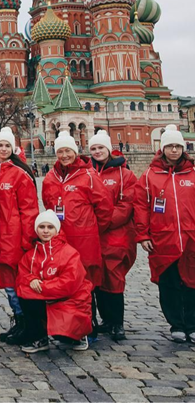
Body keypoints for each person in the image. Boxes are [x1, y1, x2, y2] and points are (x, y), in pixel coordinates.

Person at [42, 131, 112, 331]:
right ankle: (67, 325)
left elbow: (104, 208)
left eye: (68, 151)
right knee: (63, 281)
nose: (65, 155)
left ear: (76, 152)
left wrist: (91, 229)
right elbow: (48, 206)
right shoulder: (50, 177)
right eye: (61, 151)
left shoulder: (89, 175)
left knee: (85, 282)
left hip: (84, 239)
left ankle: (87, 323)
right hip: (60, 239)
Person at [135, 125, 195, 342]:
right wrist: (143, 235)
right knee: (168, 283)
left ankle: (192, 324)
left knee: (191, 282)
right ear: (162, 148)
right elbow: (141, 206)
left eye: (178, 146)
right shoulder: (150, 174)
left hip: (191, 238)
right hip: (163, 238)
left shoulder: (192, 173)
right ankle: (176, 325)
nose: (174, 150)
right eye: (170, 146)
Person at [0, 128, 38, 344]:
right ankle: (19, 322)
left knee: (17, 284)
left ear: (12, 148)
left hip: (13, 236)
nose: (3, 149)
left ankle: (26, 323)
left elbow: (30, 209)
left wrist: (27, 238)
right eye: (0, 145)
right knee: (8, 284)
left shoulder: (19, 173)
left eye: (7, 145)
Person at [16, 210, 94, 353]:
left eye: (50, 227)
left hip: (68, 300)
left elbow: (68, 284)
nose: (45, 231)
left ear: (57, 230)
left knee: (63, 337)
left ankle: (78, 335)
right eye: (42, 227)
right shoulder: (31, 254)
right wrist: (31, 279)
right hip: (47, 298)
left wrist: (42, 286)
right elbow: (23, 273)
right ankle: (39, 337)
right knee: (24, 292)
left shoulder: (69, 253)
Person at [88, 130, 137, 341]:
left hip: (115, 235)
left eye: (101, 148)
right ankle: (105, 320)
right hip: (92, 235)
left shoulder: (124, 174)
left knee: (114, 279)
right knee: (96, 279)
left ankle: (117, 323)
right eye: (94, 148)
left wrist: (104, 222)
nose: (97, 151)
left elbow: (126, 204)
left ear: (108, 149)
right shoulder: (87, 172)